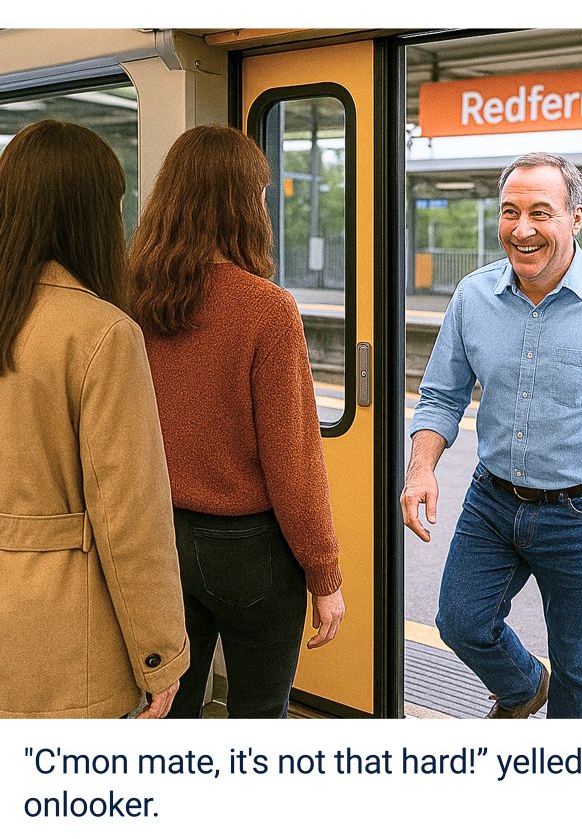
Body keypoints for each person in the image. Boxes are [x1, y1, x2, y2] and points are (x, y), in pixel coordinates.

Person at [401, 152, 582, 719]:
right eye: (510, 211)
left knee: (578, 663)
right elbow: (440, 395)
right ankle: (523, 686)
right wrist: (420, 469)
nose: (522, 228)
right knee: (460, 622)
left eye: (540, 212)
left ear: (575, 218)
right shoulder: (473, 296)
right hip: (492, 500)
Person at [128, 125, 344, 719]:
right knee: (257, 717)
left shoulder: (133, 300)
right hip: (251, 552)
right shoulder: (266, 309)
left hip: (161, 540)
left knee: (170, 711)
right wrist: (324, 575)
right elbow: (294, 463)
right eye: (261, 193)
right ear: (243, 204)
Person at [0, 119, 189, 719]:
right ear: (90, 215)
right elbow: (131, 518)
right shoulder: (103, 333)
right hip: (63, 650)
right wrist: (160, 655)